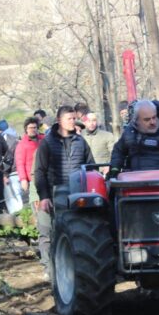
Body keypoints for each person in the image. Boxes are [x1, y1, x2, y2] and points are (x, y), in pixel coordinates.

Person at [32, 106, 95, 273]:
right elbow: (39, 171)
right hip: (52, 194)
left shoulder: (81, 142)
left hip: (76, 194)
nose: (73, 121)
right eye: (69, 119)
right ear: (59, 121)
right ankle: (49, 269)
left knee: (75, 232)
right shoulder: (47, 143)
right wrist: (44, 197)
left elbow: (90, 167)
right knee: (47, 233)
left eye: (74, 118)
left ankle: (74, 270)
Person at [15, 117, 43, 202]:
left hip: (46, 175)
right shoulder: (22, 145)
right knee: (36, 202)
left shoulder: (43, 139)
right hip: (32, 179)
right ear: (26, 129)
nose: (33, 130)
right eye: (30, 128)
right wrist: (23, 179)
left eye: (35, 127)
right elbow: (20, 164)